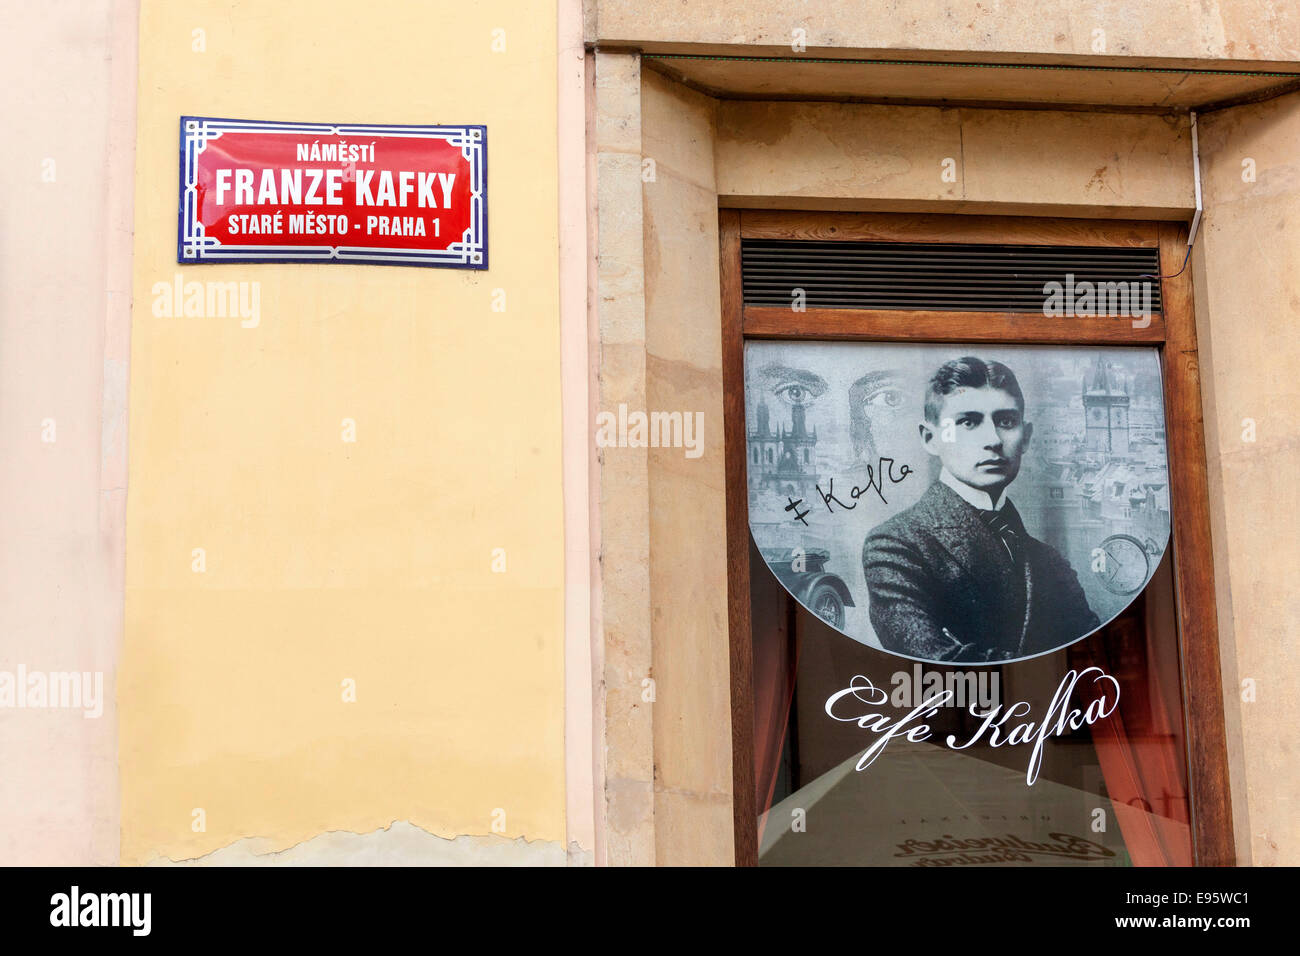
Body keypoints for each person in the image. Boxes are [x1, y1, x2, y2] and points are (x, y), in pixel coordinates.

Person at [863, 357, 1098, 662]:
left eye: (1006, 422)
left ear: (1025, 437)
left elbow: (1097, 658)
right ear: (930, 438)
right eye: (968, 422)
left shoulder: (1048, 560)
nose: (993, 440)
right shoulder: (896, 545)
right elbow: (940, 663)